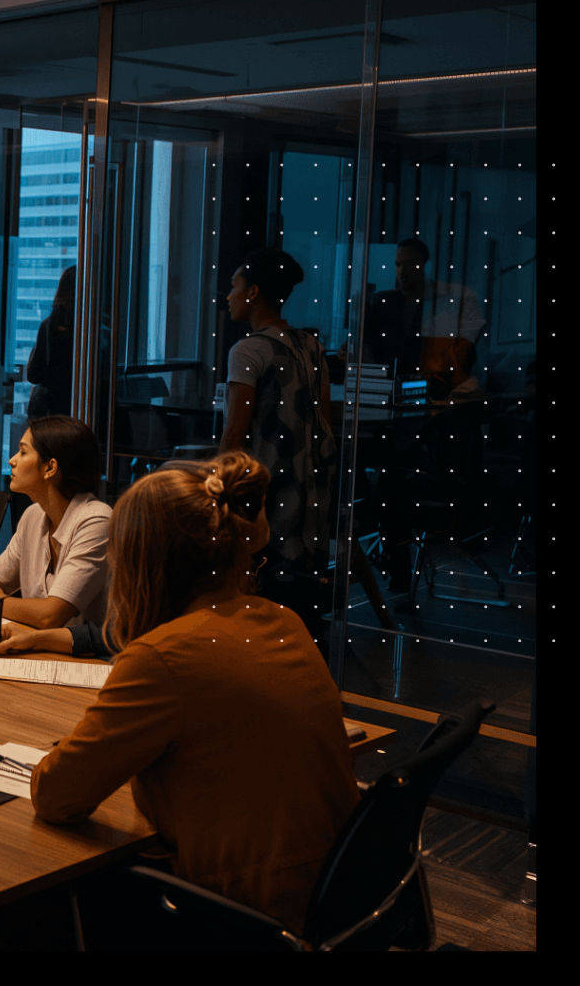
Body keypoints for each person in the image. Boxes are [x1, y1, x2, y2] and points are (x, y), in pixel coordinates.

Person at [30, 452, 358, 935]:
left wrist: (66, 754)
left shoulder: (163, 658)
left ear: (142, 557)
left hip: (242, 918)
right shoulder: (284, 622)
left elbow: (56, 797)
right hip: (333, 896)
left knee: (25, 890)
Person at [220, 248, 337, 597]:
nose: (229, 296)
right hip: (311, 490)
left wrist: (215, 487)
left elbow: (234, 435)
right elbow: (324, 421)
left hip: (268, 486)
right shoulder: (312, 347)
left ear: (253, 292)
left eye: (235, 286)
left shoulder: (248, 351)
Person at [0, 416, 112, 658]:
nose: (12, 461)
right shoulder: (34, 515)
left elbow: (51, 615)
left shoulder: (96, 520)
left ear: (50, 468)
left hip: (90, 661)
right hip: (35, 647)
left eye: (22, 452)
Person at [363, 238, 487, 386]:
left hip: (431, 387)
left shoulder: (443, 303)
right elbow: (366, 349)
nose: (402, 270)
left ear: (425, 266)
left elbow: (461, 354)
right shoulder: (382, 303)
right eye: (398, 264)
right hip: (387, 386)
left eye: (410, 263)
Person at [25, 267, 77, 419]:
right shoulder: (97, 328)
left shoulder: (50, 325)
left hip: (55, 410)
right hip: (82, 406)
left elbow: (34, 374)